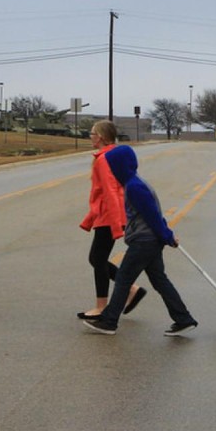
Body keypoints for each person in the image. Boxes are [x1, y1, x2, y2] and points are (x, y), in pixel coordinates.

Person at [81, 144, 197, 337]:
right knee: (160, 280)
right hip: (149, 241)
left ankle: (109, 321)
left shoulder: (134, 187)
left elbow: (152, 215)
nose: (111, 170)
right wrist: (166, 234)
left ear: (121, 166)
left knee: (124, 279)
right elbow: (153, 215)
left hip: (144, 242)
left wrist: (167, 236)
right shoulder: (134, 184)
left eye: (113, 166)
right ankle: (183, 318)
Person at [77, 119, 146, 319]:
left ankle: (102, 306)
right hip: (105, 215)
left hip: (109, 216)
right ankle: (132, 290)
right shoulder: (108, 156)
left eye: (92, 133)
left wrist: (116, 225)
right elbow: (102, 194)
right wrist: (89, 219)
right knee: (96, 258)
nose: (90, 136)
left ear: (100, 136)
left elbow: (111, 192)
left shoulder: (104, 160)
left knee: (97, 259)